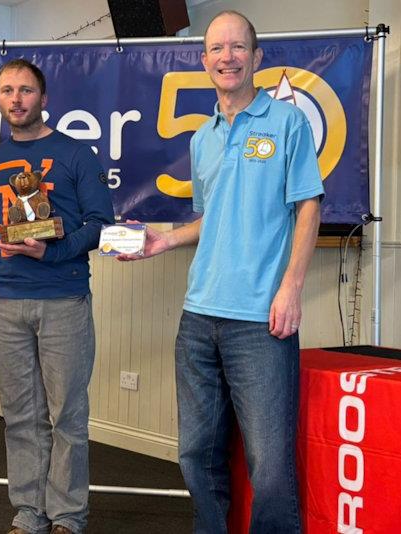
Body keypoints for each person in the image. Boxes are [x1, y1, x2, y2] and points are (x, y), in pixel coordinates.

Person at [118, 11, 324, 533]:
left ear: (256, 58)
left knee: (270, 466)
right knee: (196, 456)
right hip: (198, 318)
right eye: (216, 49)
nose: (226, 57)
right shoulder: (203, 137)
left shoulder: (287, 122)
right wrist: (165, 239)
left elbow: (307, 206)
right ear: (204, 60)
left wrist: (291, 289)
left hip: (260, 320)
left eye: (237, 47)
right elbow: (211, 217)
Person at [0, 59, 115, 534]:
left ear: (44, 98)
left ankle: (67, 514)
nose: (16, 99)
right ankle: (28, 511)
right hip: (8, 299)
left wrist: (52, 253)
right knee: (20, 415)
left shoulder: (77, 155)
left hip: (63, 299)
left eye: (26, 90)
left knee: (68, 416)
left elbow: (101, 227)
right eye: (7, 91)